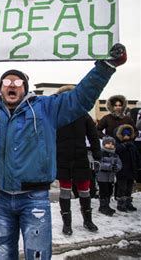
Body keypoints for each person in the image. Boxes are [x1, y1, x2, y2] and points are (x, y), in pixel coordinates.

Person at [0, 43, 127, 259]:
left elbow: (80, 98)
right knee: (5, 254)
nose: (12, 85)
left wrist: (106, 66)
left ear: (25, 88)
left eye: (18, 82)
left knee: (37, 254)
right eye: (7, 82)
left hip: (34, 198)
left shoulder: (46, 108)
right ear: (0, 87)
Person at [54, 85, 100, 236]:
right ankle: (67, 224)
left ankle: (88, 220)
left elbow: (93, 136)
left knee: (85, 191)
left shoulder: (83, 114)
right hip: (62, 158)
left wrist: (97, 156)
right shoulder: (57, 115)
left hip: (81, 158)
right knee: (65, 191)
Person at [114, 124, 141, 212]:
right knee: (122, 187)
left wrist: (139, 165)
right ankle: (121, 203)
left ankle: (128, 202)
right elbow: (116, 151)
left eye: (128, 134)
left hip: (131, 169)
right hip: (122, 170)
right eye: (124, 134)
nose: (126, 136)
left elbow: (137, 156)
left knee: (129, 187)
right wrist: (124, 145)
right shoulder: (118, 144)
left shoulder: (132, 145)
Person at [96, 136, 122, 216]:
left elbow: (119, 164)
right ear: (104, 144)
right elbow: (98, 164)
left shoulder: (115, 155)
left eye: (112, 144)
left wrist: (116, 168)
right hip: (102, 177)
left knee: (109, 191)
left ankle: (107, 206)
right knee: (103, 192)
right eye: (108, 143)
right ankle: (103, 206)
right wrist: (109, 166)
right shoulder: (101, 153)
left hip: (110, 178)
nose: (110, 145)